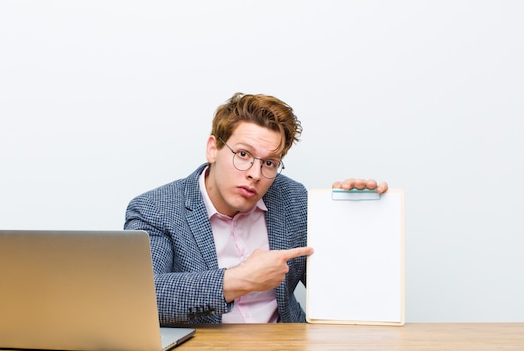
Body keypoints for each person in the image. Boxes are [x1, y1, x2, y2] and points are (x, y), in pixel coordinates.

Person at [124, 92, 387, 324]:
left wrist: (353, 218)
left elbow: (338, 288)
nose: (255, 174)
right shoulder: (155, 209)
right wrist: (240, 280)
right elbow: (140, 295)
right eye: (243, 155)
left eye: (270, 163)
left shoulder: (292, 199)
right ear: (213, 149)